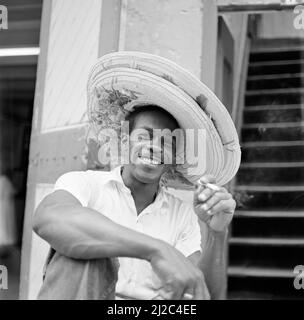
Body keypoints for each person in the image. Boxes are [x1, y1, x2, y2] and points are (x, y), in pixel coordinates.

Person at [33, 52, 241, 300]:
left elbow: (204, 295)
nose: (154, 147)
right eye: (144, 136)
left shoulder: (182, 215)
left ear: (173, 160)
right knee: (82, 254)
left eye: (167, 142)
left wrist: (216, 232)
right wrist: (155, 250)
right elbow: (47, 218)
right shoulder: (84, 184)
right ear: (123, 141)